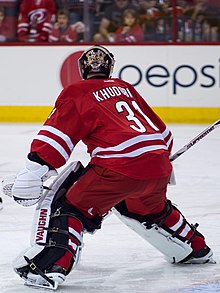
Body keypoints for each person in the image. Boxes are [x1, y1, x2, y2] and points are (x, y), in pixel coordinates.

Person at [2, 45, 215, 290]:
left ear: (82, 69)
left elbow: (58, 135)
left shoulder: (77, 91)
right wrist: (158, 159)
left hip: (118, 167)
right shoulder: (125, 89)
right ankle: (195, 248)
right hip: (158, 165)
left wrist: (36, 169)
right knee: (147, 207)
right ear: (110, 67)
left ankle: (48, 266)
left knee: (69, 204)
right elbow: (163, 133)